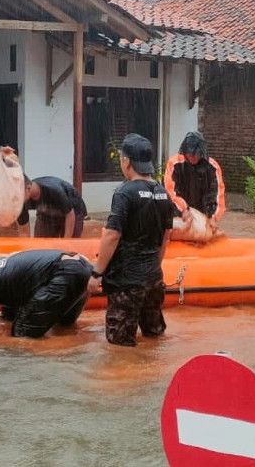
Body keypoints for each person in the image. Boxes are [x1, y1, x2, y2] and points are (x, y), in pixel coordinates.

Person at [88, 133, 176, 347]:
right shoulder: (163, 194)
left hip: (126, 283)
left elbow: (112, 234)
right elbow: (166, 236)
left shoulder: (124, 193)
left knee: (119, 347)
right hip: (154, 279)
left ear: (126, 161)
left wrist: (97, 273)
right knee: (154, 337)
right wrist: (153, 266)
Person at [0, 250, 92, 337]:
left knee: (21, 332)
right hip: (83, 269)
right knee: (64, 326)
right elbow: (12, 308)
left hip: (65, 273)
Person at [163, 131, 226, 222]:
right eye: (189, 155)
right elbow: (170, 192)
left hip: (203, 217)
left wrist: (212, 218)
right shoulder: (174, 164)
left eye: (195, 154)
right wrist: (183, 209)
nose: (192, 157)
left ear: (201, 152)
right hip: (179, 215)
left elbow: (217, 196)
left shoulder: (213, 167)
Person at [18, 176, 88, 238]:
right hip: (46, 212)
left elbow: (70, 214)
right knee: (41, 244)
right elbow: (24, 232)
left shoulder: (55, 191)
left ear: (28, 188)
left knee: (70, 246)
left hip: (73, 210)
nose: (15, 197)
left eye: (17, 193)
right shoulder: (20, 202)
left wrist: (66, 241)